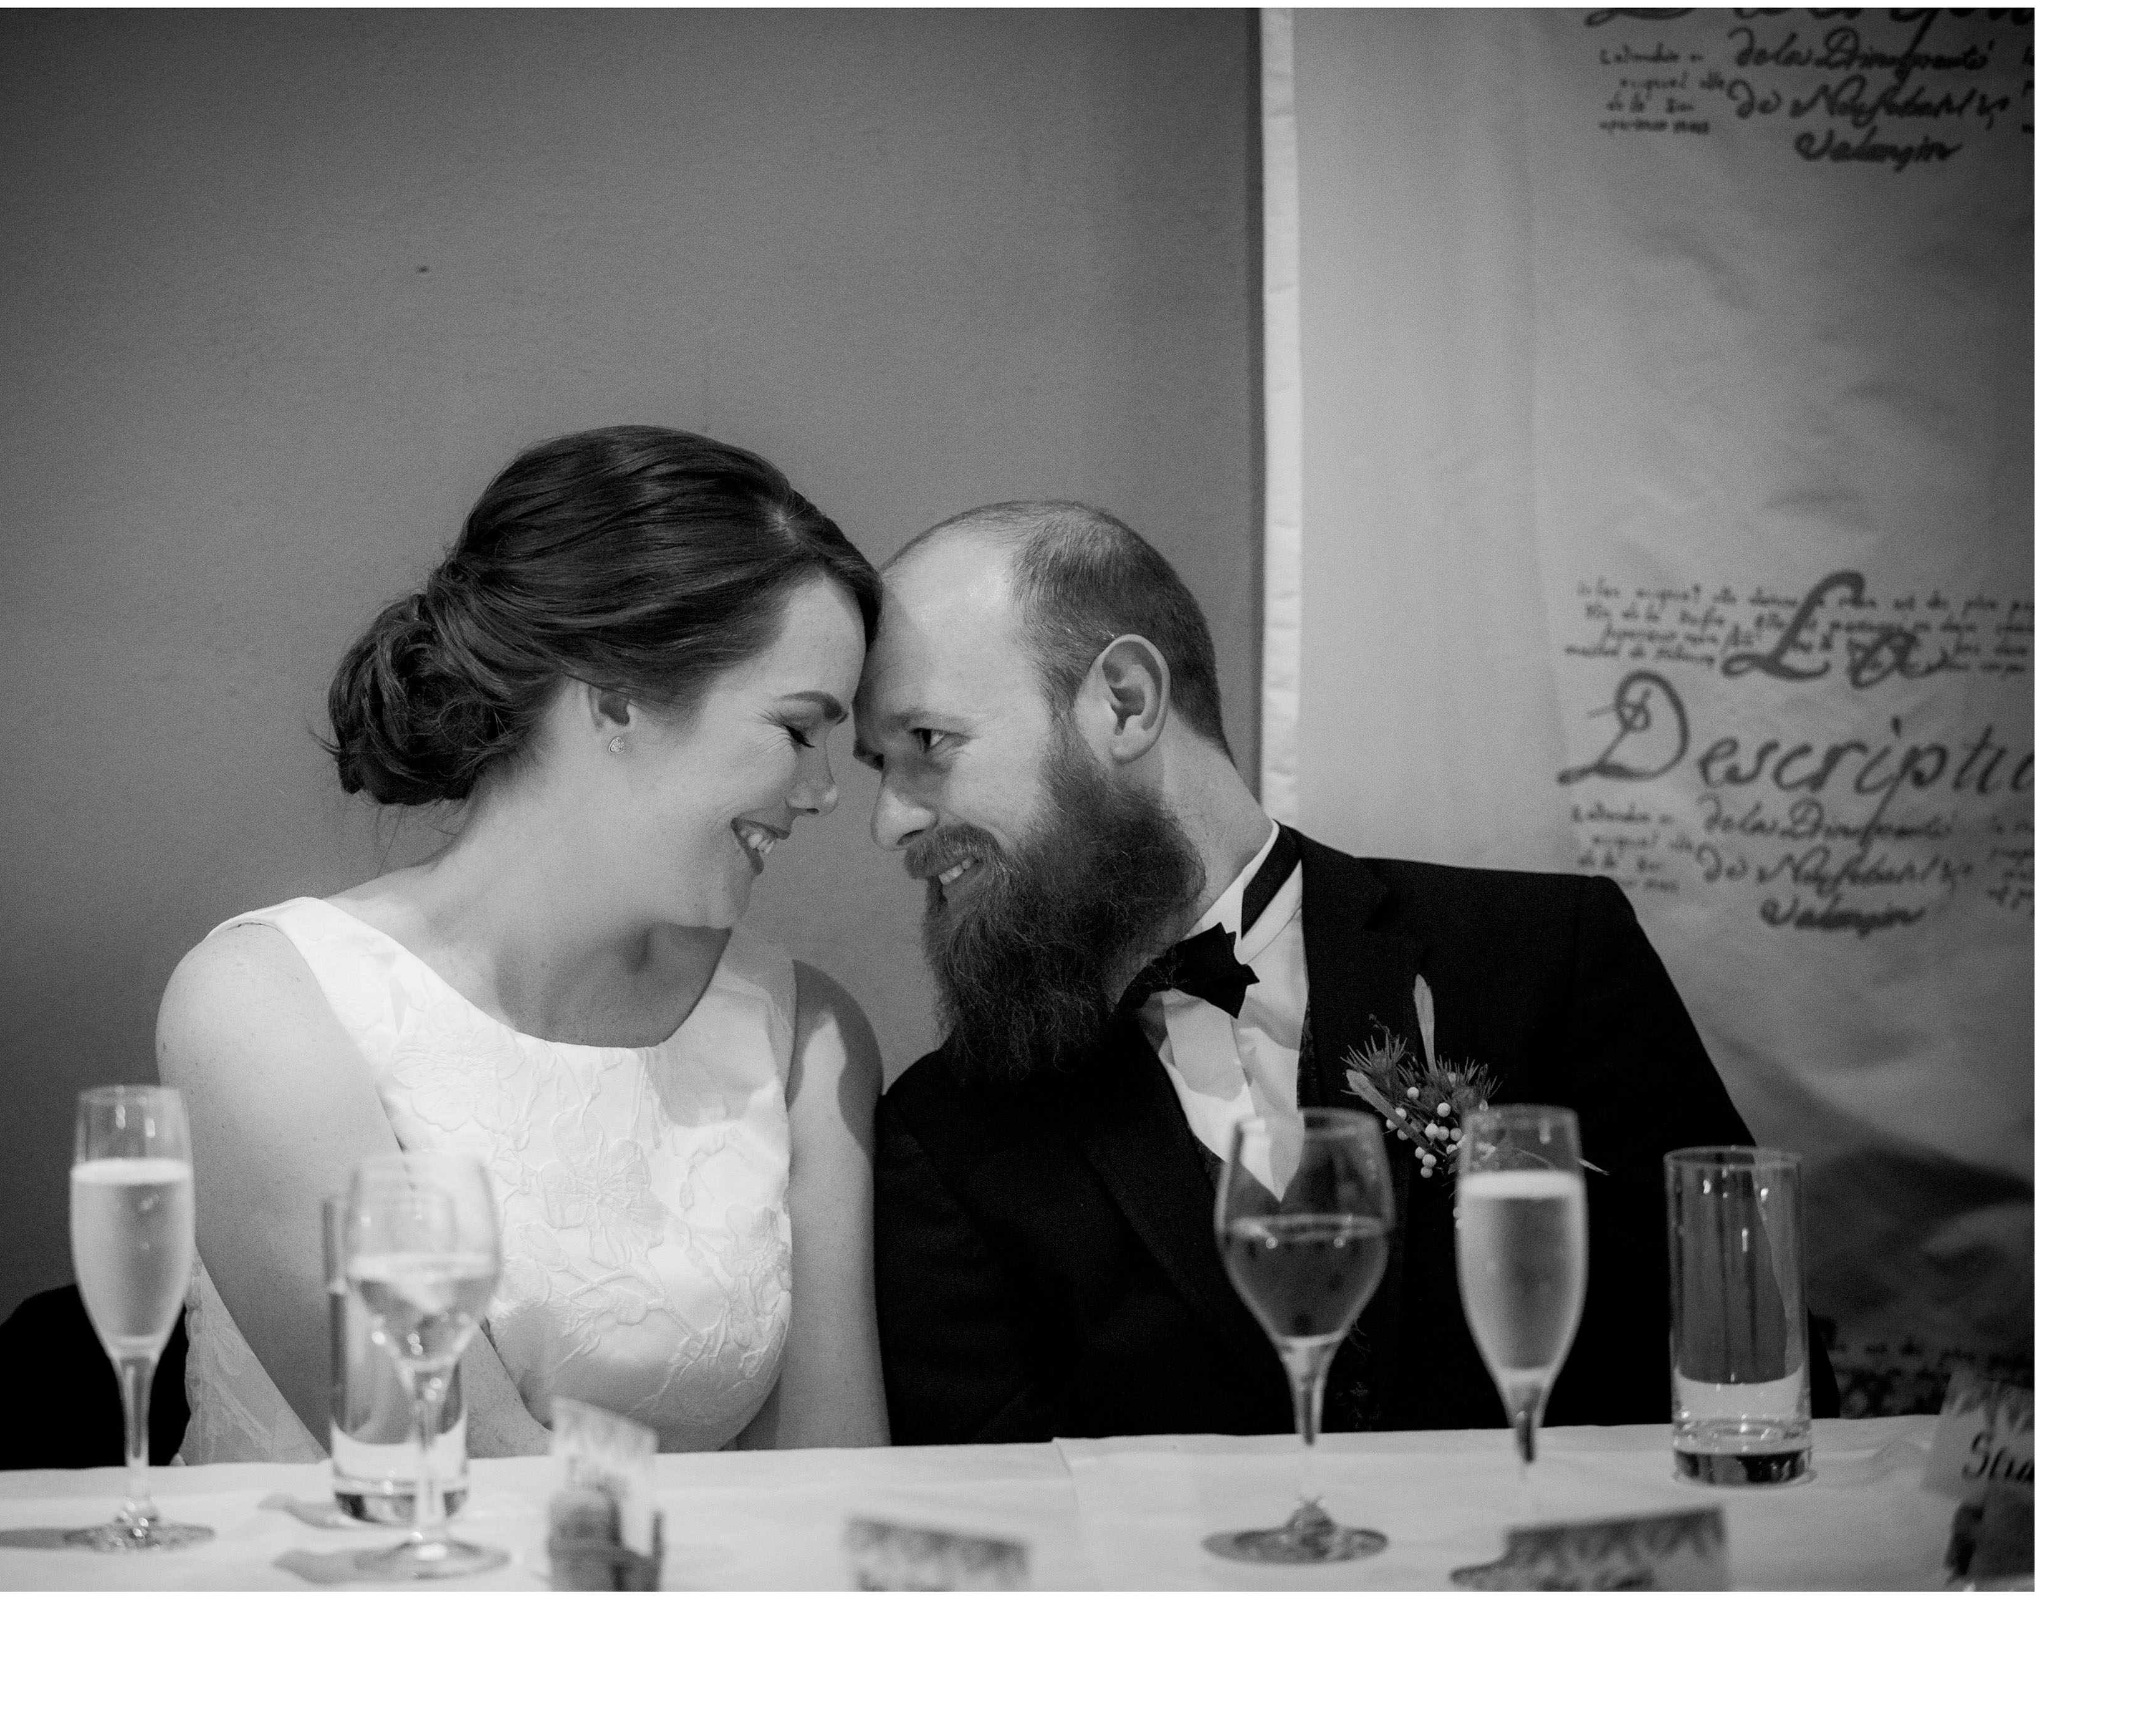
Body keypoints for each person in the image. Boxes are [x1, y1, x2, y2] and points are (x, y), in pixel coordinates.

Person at [856, 501, 1823, 1444]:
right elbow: (998, 1529)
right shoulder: (947, 1135)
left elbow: (1744, 1352)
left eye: (929, 745)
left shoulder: (1544, 957)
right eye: (878, 766)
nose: (889, 820)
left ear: (1127, 703)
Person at [157, 425, 890, 1459]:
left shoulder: (804, 1033)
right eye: (797, 729)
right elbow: (457, 1480)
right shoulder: (263, 1006)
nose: (823, 795)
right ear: (617, 696)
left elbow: (833, 1478)